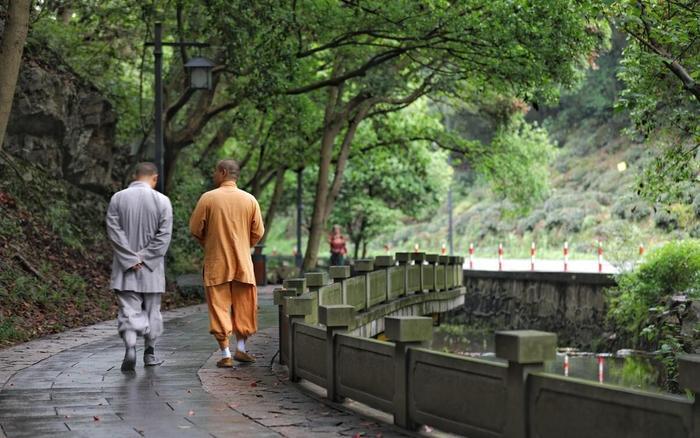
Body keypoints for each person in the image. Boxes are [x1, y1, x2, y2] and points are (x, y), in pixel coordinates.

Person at [189, 159, 265, 368]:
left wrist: (210, 244)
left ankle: (226, 353)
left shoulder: (208, 198)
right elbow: (258, 232)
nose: (214, 175)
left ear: (223, 172)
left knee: (219, 306)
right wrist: (243, 245)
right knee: (245, 305)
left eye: (215, 171)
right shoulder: (250, 200)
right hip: (243, 264)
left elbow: (195, 229)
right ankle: (241, 348)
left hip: (217, 263)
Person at [105, 162, 173, 372]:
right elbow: (164, 236)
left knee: (128, 310)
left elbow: (113, 231)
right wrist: (144, 257)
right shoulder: (162, 201)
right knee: (152, 311)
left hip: (125, 268)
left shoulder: (118, 198)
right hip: (151, 269)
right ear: (155, 178)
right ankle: (149, 353)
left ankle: (130, 348)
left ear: (135, 176)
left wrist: (130, 258)